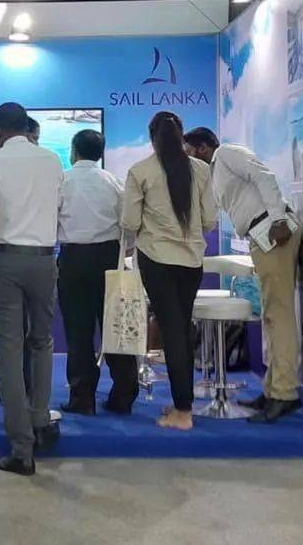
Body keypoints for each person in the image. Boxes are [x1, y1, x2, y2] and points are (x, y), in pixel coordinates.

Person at [184, 127, 303, 423]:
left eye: (188, 150)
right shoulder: (213, 174)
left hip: (272, 231)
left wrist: (278, 220)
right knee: (272, 316)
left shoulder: (227, 153)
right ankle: (273, 390)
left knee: (279, 315)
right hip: (261, 236)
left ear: (201, 148)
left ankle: (285, 394)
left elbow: (265, 177)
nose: (186, 157)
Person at [0, 102, 63, 475]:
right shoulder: (52, 160)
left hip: (7, 260)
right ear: (27, 127)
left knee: (9, 350)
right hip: (44, 259)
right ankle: (40, 420)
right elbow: (60, 209)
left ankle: (21, 449)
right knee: (42, 342)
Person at [122, 112, 216, 432]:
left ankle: (183, 411)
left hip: (156, 258)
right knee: (181, 329)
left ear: (152, 138)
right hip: (191, 261)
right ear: (181, 135)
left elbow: (130, 222)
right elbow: (210, 220)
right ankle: (181, 403)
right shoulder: (201, 169)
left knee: (172, 331)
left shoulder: (140, 171)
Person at [57, 129, 139, 416]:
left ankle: (82, 398)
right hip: (110, 257)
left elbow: (51, 220)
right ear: (101, 153)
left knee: (78, 331)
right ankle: (123, 397)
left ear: (73, 151)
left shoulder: (62, 181)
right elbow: (130, 224)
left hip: (73, 259)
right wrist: (123, 249)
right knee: (117, 328)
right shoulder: (114, 182)